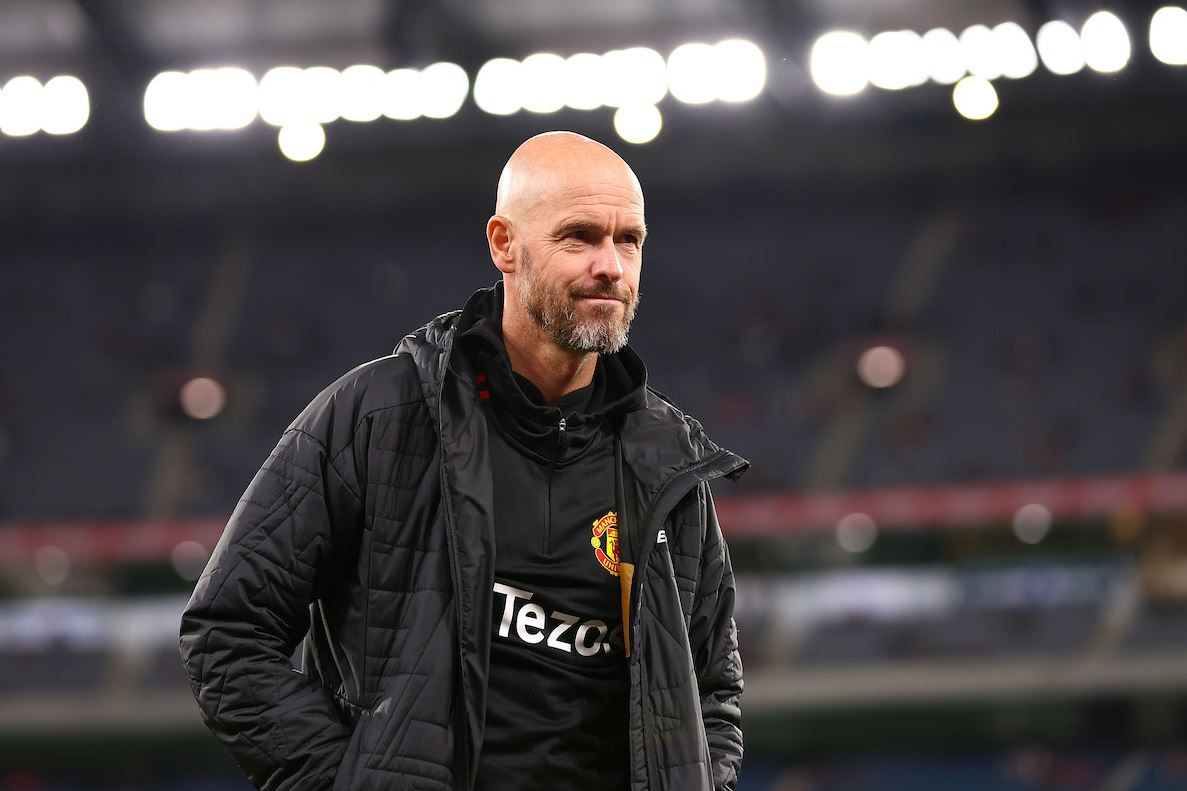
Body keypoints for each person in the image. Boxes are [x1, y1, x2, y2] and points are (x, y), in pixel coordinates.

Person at [179, 131, 748, 791]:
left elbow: (713, 687)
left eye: (629, 241)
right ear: (505, 245)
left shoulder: (669, 463)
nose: (611, 267)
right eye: (579, 237)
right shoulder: (379, 417)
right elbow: (227, 631)